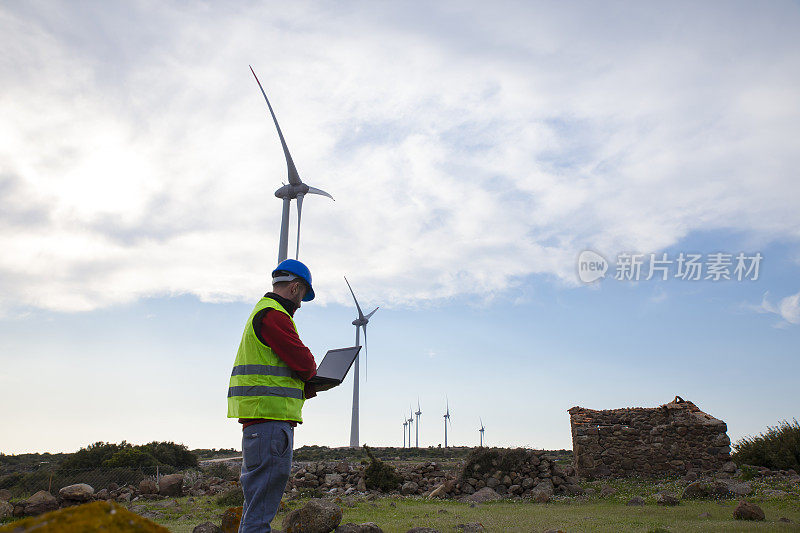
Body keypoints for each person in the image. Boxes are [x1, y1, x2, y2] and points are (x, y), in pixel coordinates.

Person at [227, 259, 321, 533]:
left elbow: (277, 372)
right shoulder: (274, 315)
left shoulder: (264, 312)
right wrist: (315, 377)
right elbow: (305, 364)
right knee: (259, 516)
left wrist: (308, 387)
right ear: (294, 288)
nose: (301, 304)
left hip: (262, 422)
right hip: (269, 423)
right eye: (303, 295)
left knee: (256, 510)